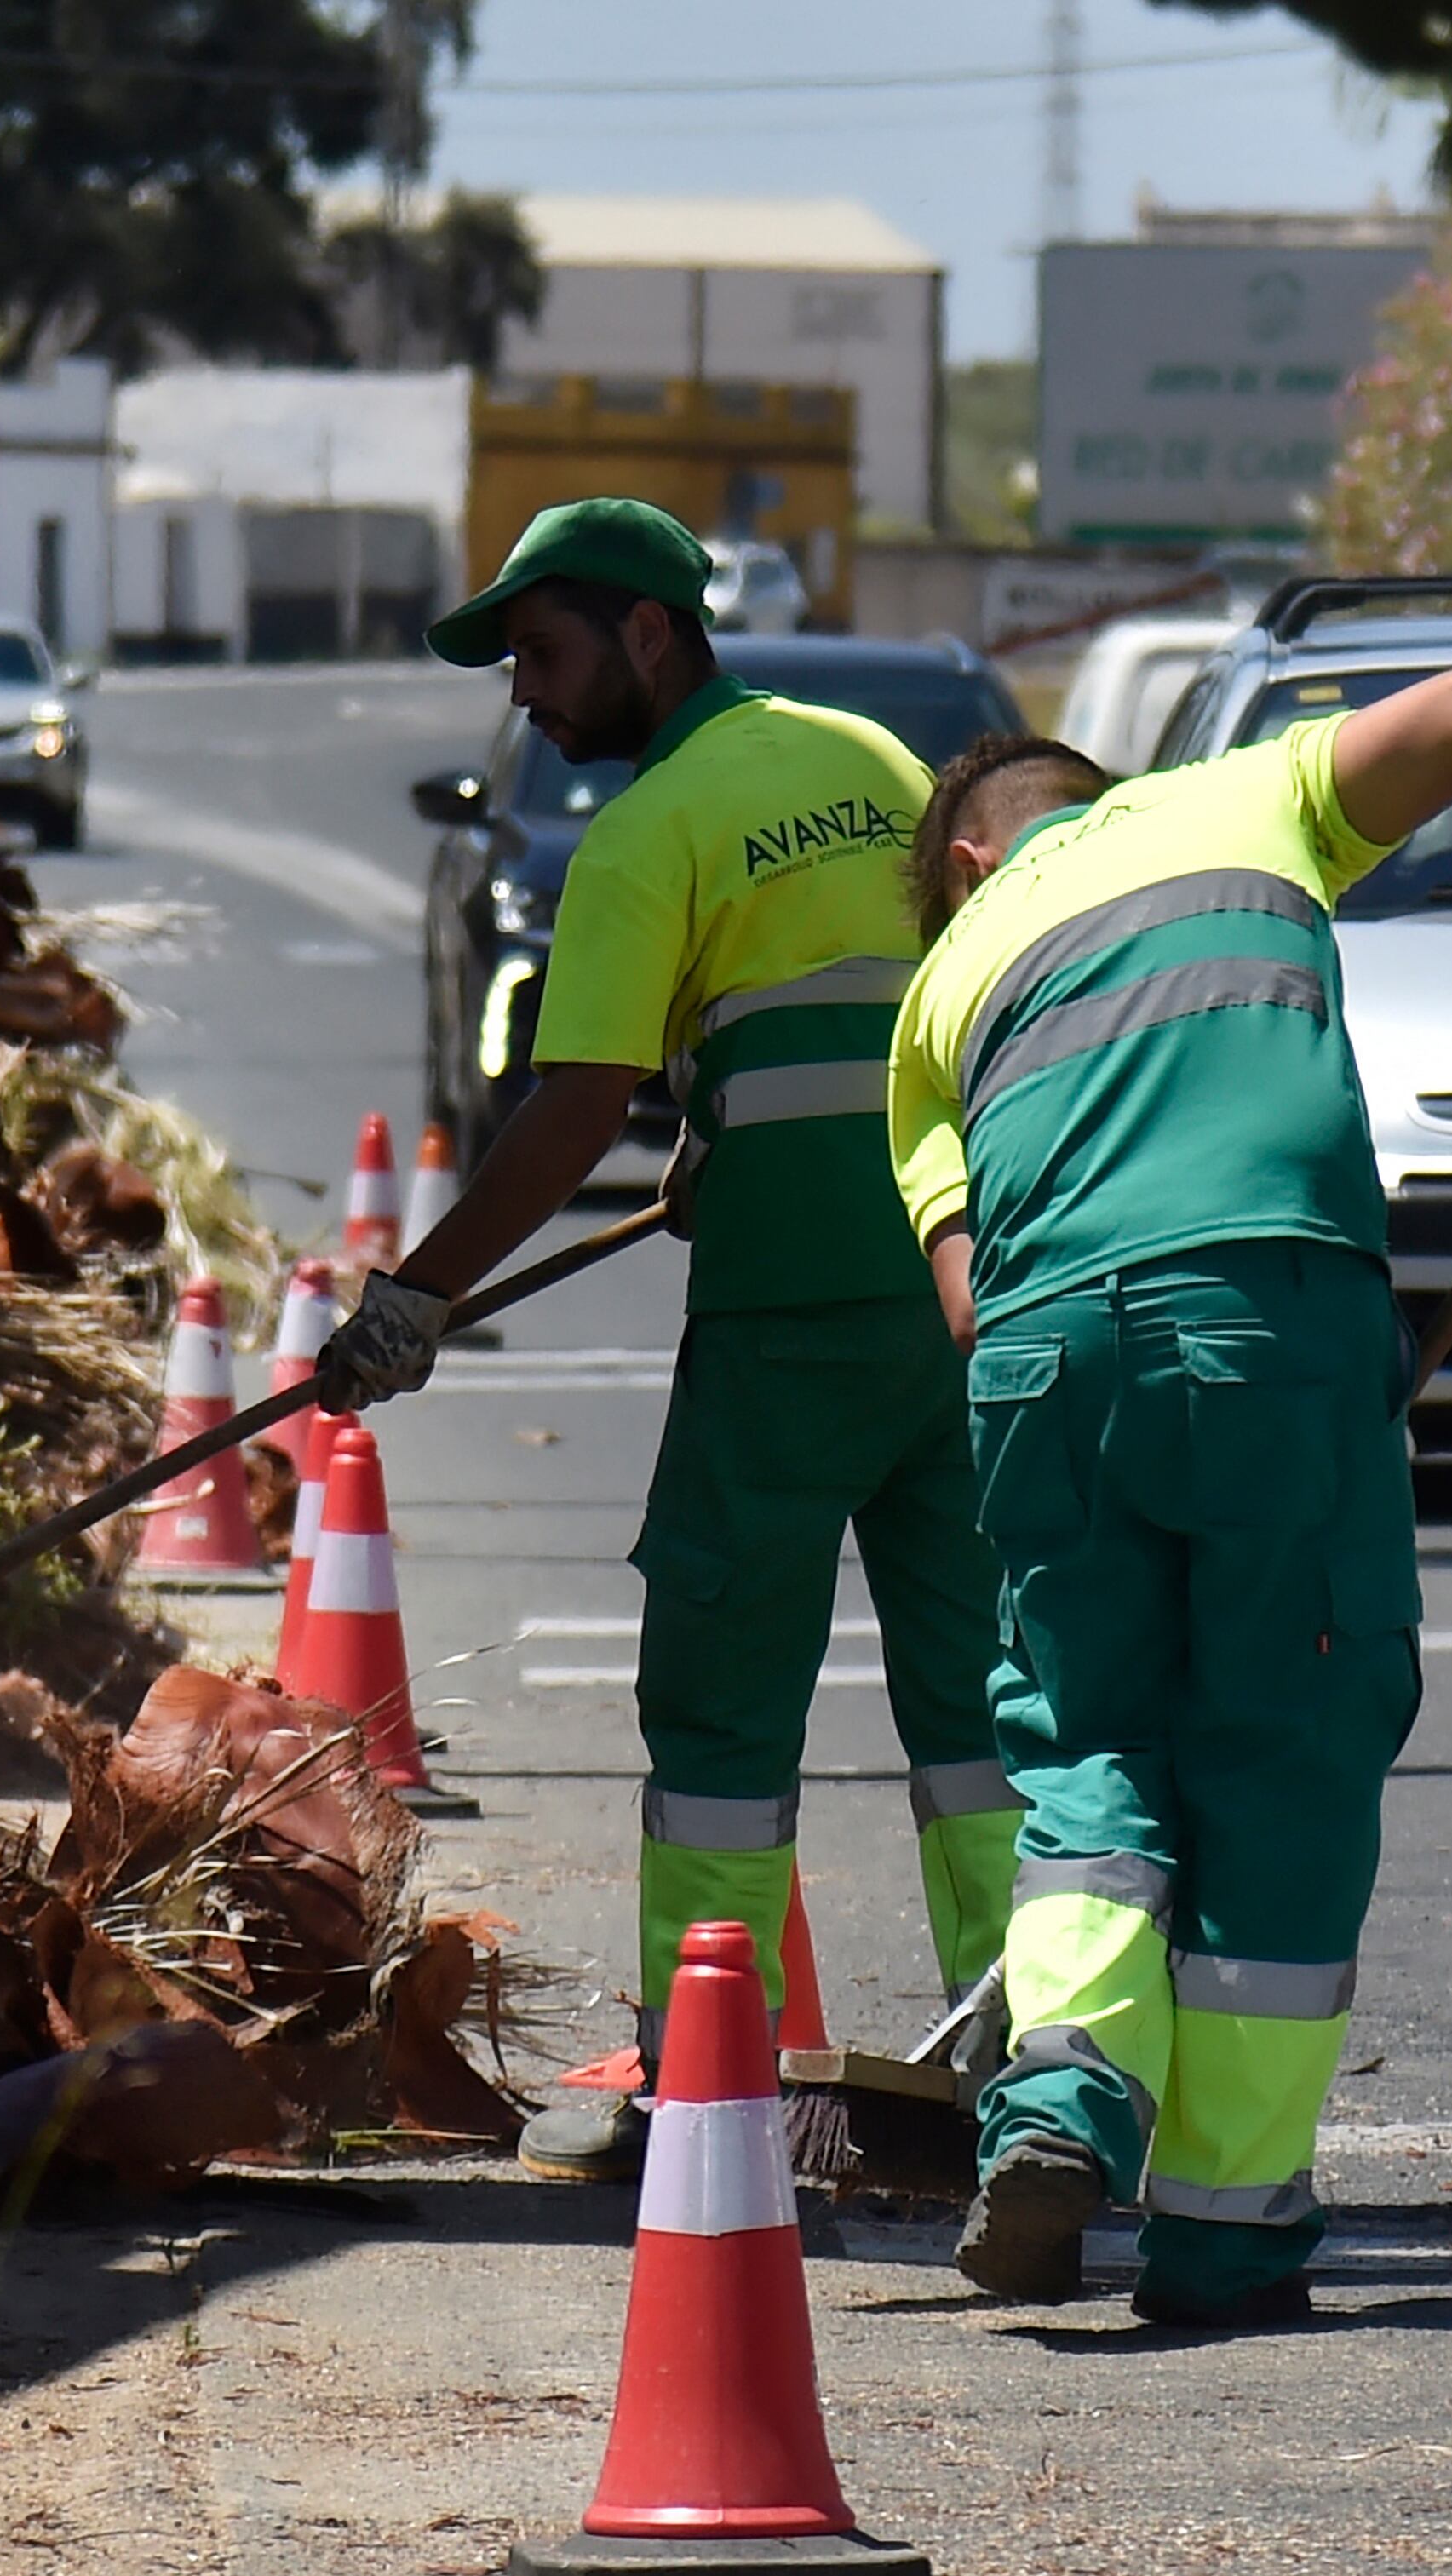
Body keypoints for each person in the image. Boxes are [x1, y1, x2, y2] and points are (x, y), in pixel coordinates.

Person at [882, 675, 1452, 2328]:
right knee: (1281, 1739)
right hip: (1268, 1314)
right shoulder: (1239, 797)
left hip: (1047, 1356)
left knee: (1085, 1739)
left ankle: (1061, 2092)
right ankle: (1216, 2232)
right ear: (1098, 795)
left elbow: (969, 1306)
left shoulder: (933, 1000)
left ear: (975, 860)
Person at [317, 497, 1021, 2183]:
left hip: (789, 1321)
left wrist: (416, 1295)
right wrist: (729, 1120)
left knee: (716, 1718)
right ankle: (1035, 2084)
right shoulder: (860, 754)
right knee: (982, 1713)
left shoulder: (647, 831)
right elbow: (878, 1007)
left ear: (650, 633)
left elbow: (566, 1113)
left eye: (546, 656)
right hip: (960, 1287)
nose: (530, 699)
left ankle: (698, 2096)